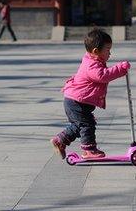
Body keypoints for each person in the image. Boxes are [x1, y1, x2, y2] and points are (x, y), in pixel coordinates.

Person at [50, 29, 131, 159]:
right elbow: (102, 76)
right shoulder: (92, 65)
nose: (110, 53)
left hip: (76, 100)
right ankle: (89, 150)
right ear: (95, 51)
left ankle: (60, 140)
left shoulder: (93, 61)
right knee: (86, 124)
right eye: (107, 49)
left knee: (80, 125)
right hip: (76, 102)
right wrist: (120, 69)